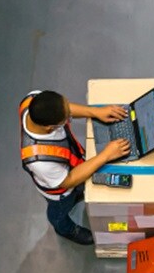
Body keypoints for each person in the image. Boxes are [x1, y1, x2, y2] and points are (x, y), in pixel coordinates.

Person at [19, 90, 131, 244]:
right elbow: (68, 180)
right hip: (61, 191)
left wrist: (95, 112)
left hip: (71, 165)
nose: (69, 115)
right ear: (50, 128)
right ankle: (65, 229)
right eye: (66, 118)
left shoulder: (32, 99)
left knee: (79, 191)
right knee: (59, 212)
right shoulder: (40, 161)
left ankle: (78, 194)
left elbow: (66, 108)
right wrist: (106, 155)